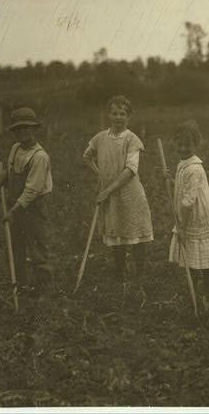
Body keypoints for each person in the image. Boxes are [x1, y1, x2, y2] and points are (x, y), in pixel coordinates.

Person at [83, 95, 153, 284]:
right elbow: (87, 156)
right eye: (114, 113)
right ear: (108, 115)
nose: (118, 117)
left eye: (122, 113)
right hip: (111, 194)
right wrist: (100, 174)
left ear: (129, 116)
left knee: (136, 233)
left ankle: (140, 274)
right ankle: (120, 272)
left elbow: (130, 170)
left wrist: (108, 189)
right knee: (117, 232)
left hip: (130, 194)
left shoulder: (132, 139)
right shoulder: (100, 138)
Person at [167, 120, 209, 309]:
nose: (183, 148)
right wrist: (170, 180)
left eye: (188, 144)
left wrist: (182, 225)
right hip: (188, 215)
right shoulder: (183, 164)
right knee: (191, 256)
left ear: (196, 144)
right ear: (174, 143)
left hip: (196, 217)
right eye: (179, 144)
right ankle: (193, 293)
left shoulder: (194, 168)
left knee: (204, 258)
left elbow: (188, 200)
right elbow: (183, 188)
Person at [0, 107, 54, 295]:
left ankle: (43, 289)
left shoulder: (40, 157)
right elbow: (13, 169)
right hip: (16, 204)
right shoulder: (15, 149)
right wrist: (5, 176)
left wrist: (11, 211)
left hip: (34, 208)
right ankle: (20, 285)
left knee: (37, 247)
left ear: (34, 129)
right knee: (17, 246)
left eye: (26, 128)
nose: (22, 132)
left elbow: (31, 191)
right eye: (18, 129)